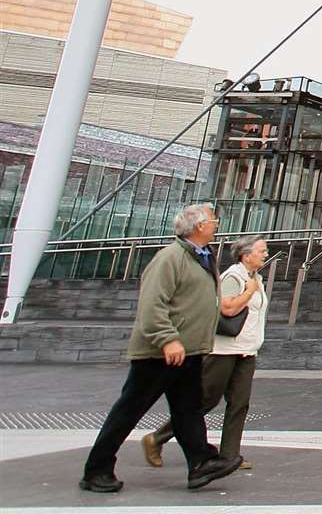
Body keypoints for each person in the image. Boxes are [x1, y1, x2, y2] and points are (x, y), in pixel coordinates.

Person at [79, 203, 242, 493]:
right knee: (129, 410)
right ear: (199, 226)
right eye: (213, 220)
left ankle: (201, 463)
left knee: (188, 410)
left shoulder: (202, 257)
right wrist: (168, 338)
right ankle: (96, 470)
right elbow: (153, 303)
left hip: (188, 352)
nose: (217, 224)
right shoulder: (170, 258)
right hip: (160, 354)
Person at [143, 236, 268, 472]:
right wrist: (249, 292)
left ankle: (230, 454)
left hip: (247, 350)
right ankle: (158, 437)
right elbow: (227, 308)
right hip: (223, 351)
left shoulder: (255, 278)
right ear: (246, 254)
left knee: (239, 403)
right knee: (206, 400)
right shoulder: (234, 277)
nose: (265, 254)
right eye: (261, 250)